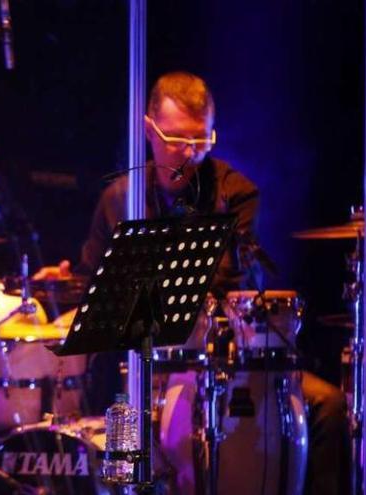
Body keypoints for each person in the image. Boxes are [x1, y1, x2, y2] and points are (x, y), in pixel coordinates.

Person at [36, 71, 349, 495]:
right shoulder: (119, 198)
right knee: (118, 427)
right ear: (149, 129)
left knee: (328, 405)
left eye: (200, 141)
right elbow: (92, 278)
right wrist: (63, 282)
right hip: (139, 374)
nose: (189, 154)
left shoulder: (234, 193)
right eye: (177, 141)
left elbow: (224, 278)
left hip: (225, 360)